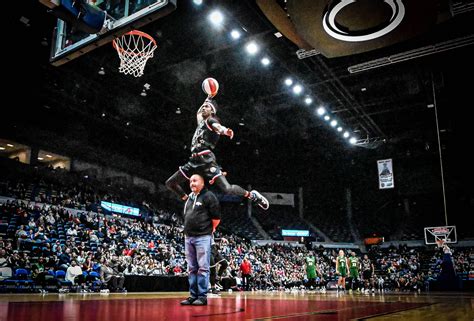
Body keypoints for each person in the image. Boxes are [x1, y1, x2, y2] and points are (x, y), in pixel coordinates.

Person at [165, 94, 269, 210]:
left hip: (206, 160)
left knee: (227, 189)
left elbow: (218, 127)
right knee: (170, 183)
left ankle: (252, 195)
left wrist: (225, 131)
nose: (203, 108)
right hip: (193, 161)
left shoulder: (211, 120)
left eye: (207, 107)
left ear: (212, 111)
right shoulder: (201, 123)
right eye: (203, 107)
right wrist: (208, 97)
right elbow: (198, 113)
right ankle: (188, 199)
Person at [180, 174, 221, 306]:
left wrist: (208, 230)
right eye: (190, 181)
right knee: (192, 268)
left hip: (203, 236)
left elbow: (216, 218)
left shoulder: (209, 196)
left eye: (195, 181)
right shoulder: (190, 198)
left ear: (202, 183)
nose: (192, 183)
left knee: (203, 268)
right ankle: (193, 295)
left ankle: (202, 296)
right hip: (188, 237)